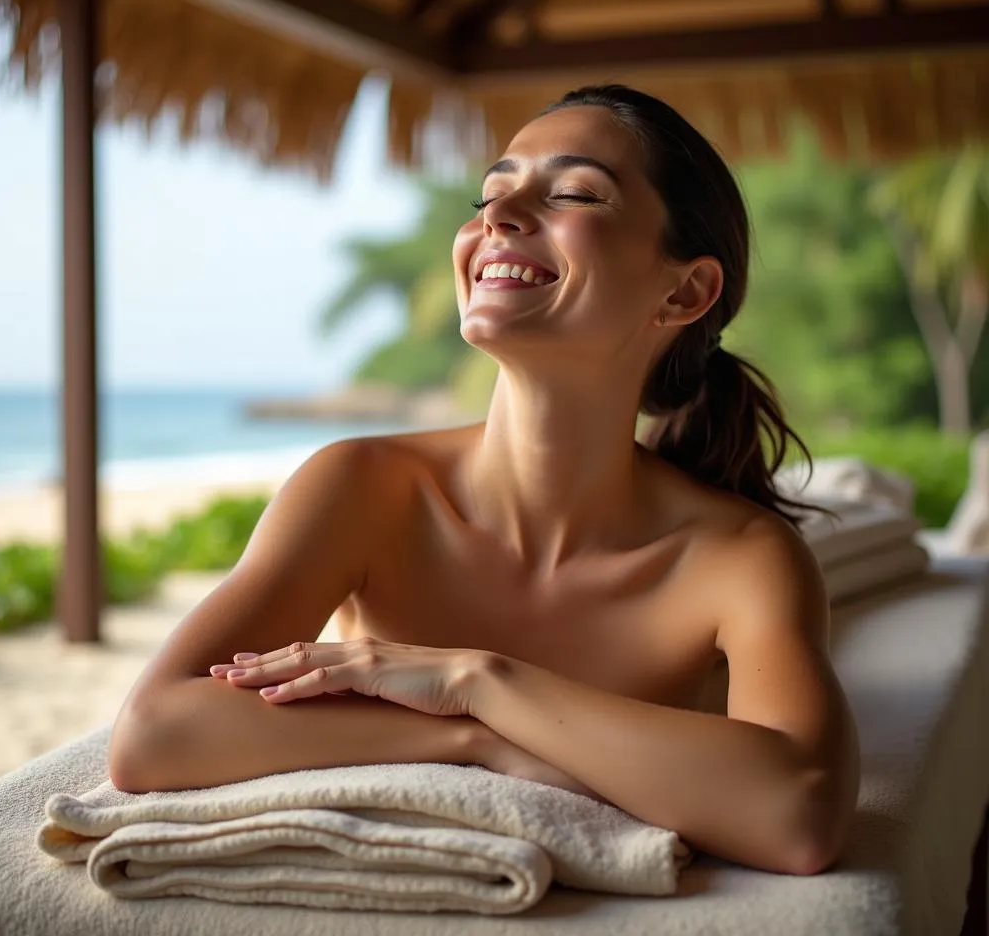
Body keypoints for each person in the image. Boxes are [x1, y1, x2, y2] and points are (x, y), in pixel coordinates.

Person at [108, 84, 860, 878]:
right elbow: (152, 733)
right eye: (491, 194)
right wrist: (473, 735)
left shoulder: (739, 556)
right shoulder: (363, 486)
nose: (497, 216)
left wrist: (474, 680)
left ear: (684, 291)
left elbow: (800, 813)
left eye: (572, 193)